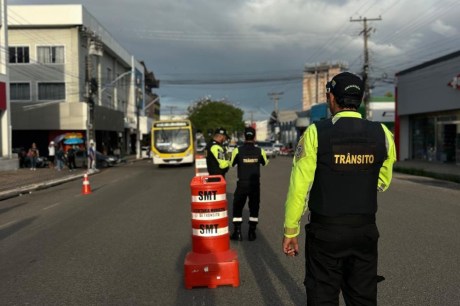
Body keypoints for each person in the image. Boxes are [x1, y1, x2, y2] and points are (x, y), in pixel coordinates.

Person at [282, 72, 396, 306]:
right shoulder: (383, 133)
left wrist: (291, 230)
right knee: (363, 297)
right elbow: (383, 179)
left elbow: (299, 187)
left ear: (332, 98)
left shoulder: (316, 132)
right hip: (364, 230)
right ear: (360, 100)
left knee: (323, 295)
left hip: (326, 231)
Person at [229, 127, 269, 241]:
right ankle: (252, 232)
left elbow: (231, 163)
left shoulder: (237, 150)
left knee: (237, 206)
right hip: (255, 185)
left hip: (242, 184)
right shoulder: (260, 151)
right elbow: (265, 163)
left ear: (244, 136)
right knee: (254, 207)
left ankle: (237, 233)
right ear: (254, 137)